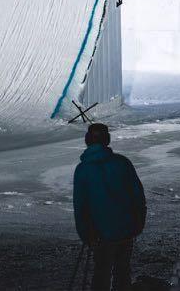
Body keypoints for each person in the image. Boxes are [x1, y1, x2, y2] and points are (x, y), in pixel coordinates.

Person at [73, 123, 147, 291]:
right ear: (107, 140)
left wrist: (86, 234)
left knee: (101, 273)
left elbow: (80, 206)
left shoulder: (83, 170)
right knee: (122, 272)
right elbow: (138, 196)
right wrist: (138, 223)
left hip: (100, 234)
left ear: (87, 141)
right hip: (126, 229)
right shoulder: (122, 163)